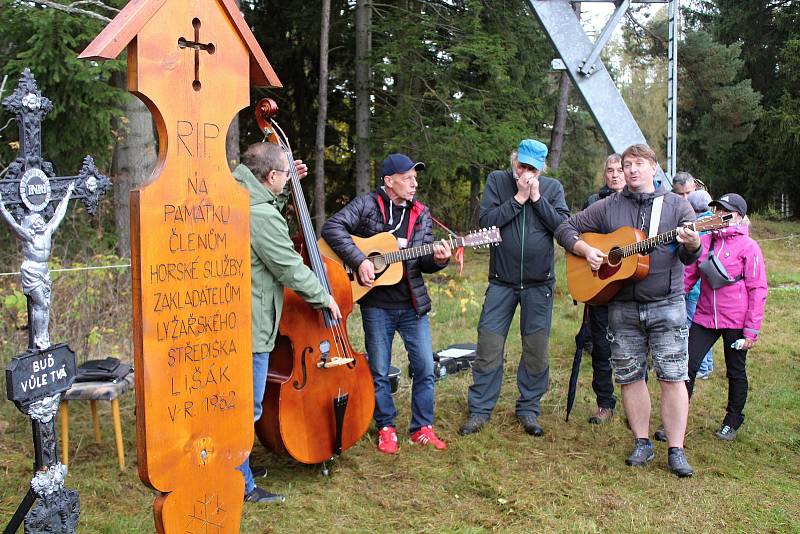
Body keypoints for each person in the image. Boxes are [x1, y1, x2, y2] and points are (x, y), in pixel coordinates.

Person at [555, 144, 701, 477]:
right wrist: (585, 249)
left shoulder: (678, 206)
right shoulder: (608, 206)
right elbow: (565, 228)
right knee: (630, 376)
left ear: (654, 168)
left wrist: (692, 243)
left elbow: (691, 256)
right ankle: (642, 442)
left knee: (673, 376)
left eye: (638, 164)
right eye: (626, 165)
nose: (632, 170)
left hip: (667, 304)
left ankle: (676, 449)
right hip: (621, 306)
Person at [321, 153, 451, 455]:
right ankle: (386, 427)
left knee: (424, 367)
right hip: (377, 305)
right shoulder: (367, 205)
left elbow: (425, 262)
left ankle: (422, 427)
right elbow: (332, 228)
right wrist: (360, 260)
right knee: (379, 370)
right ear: (389, 181)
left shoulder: (421, 213)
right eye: (407, 178)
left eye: (415, 178)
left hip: (412, 305)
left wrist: (439, 260)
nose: (414, 183)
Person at [233, 142, 342, 503]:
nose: (286, 181)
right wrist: (324, 296)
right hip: (253, 323)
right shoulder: (262, 216)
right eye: (284, 175)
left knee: (240, 402)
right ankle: (240, 484)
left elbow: (265, 211)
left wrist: (287, 184)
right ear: (272, 176)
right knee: (246, 407)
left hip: (236, 318)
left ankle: (241, 466)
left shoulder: (240, 193)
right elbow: (289, 267)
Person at [459, 139, 569, 437]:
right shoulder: (497, 181)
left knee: (536, 350)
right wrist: (518, 199)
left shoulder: (552, 189)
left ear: (541, 168)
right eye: (521, 165)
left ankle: (529, 408)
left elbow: (562, 227)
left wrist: (536, 199)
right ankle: (480, 410)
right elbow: (486, 225)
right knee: (488, 346)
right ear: (513, 161)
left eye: (532, 168)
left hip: (539, 284)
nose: (525, 172)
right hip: (501, 282)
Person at [684, 193, 767, 441]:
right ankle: (676, 419)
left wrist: (751, 331)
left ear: (739, 216)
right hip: (705, 317)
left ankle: (733, 420)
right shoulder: (704, 241)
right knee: (686, 367)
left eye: (726, 211)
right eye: (717, 210)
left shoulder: (749, 247)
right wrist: (671, 301)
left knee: (735, 371)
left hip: (737, 321)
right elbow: (688, 277)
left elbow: (758, 288)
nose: (719, 215)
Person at [0, 181, 75, 350]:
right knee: (40, 304)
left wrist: (68, 195)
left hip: (44, 271)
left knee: (45, 305)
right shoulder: (29, 237)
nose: (41, 222)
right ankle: (39, 338)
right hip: (32, 270)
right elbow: (13, 224)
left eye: (41, 220)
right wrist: (2, 207)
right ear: (32, 224)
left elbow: (58, 215)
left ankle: (43, 335)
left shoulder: (47, 232)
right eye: (37, 221)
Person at [583, 154, 625, 425]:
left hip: (629, 287)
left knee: (632, 348)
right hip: (600, 285)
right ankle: (604, 403)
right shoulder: (594, 203)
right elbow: (581, 235)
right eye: (609, 170)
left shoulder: (641, 203)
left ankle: (636, 408)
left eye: (619, 170)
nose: (614, 175)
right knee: (601, 348)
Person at [686, 189, 715, 380]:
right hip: (709, 284)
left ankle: (702, 367)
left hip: (694, 286)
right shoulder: (715, 223)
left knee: (692, 326)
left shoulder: (698, 226)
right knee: (706, 326)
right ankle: (708, 365)